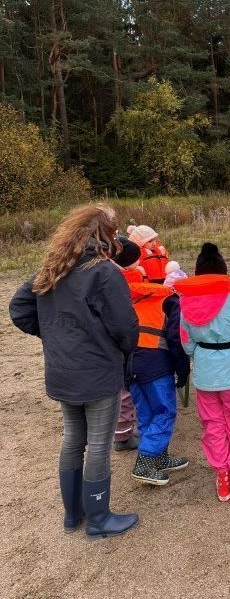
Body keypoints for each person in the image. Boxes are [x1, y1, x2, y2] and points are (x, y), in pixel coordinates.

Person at [9, 204, 139, 539]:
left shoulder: (54, 266)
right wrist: (120, 350)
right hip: (96, 371)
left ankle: (73, 515)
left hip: (63, 370)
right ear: (106, 234)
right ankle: (98, 519)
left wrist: (58, 337)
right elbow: (126, 327)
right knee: (97, 444)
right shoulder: (104, 271)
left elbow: (20, 307)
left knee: (72, 439)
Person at [177, 243, 230, 502]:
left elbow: (186, 342)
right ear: (223, 271)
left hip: (205, 371)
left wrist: (201, 358)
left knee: (212, 423)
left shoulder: (186, 303)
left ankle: (222, 477)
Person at [126, 281, 190, 485]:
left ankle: (159, 459)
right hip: (156, 366)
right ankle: (144, 462)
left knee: (146, 414)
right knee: (164, 412)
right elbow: (175, 339)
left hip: (131, 364)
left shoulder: (131, 300)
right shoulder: (171, 301)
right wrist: (183, 369)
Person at [111, 236, 144, 451]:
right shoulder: (123, 280)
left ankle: (122, 432)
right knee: (125, 392)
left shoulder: (111, 277)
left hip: (115, 344)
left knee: (122, 391)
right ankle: (122, 437)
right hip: (124, 344)